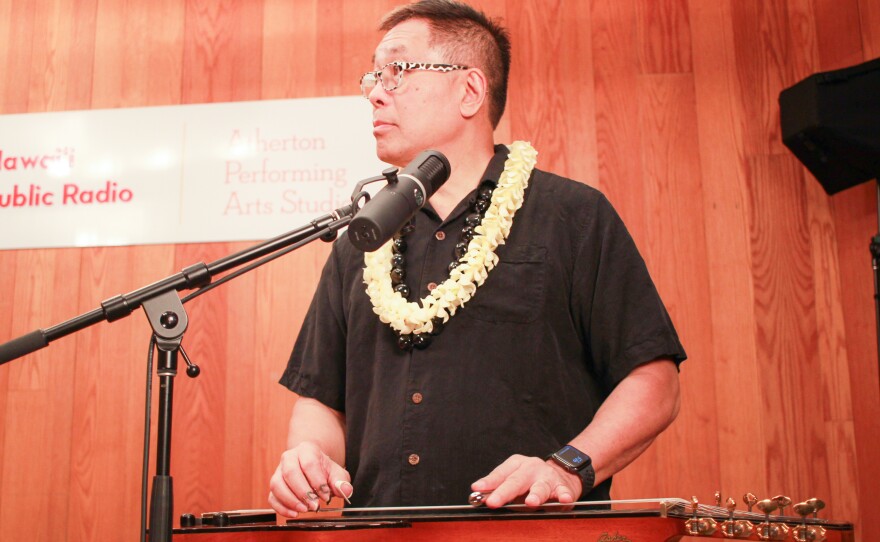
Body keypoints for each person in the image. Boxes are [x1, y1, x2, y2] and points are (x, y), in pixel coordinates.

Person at [269, 0, 686, 517]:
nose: (375, 92)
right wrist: (307, 455)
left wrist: (564, 468)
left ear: (469, 91)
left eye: (397, 71)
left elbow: (654, 381)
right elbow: (321, 401)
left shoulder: (573, 216)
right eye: (373, 76)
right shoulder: (366, 235)